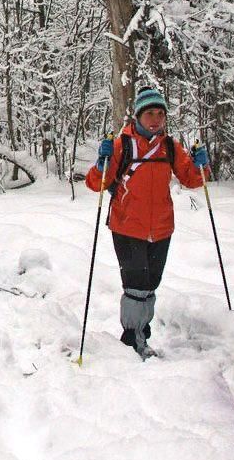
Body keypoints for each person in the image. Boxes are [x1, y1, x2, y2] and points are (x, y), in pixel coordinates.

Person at [84, 87, 207, 357]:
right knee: (135, 285)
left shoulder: (170, 147)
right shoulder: (122, 145)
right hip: (127, 225)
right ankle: (132, 339)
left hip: (162, 227)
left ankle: (141, 333)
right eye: (150, 113)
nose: (155, 119)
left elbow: (192, 179)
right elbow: (96, 184)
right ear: (138, 116)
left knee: (151, 283)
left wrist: (202, 165)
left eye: (160, 114)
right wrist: (101, 163)